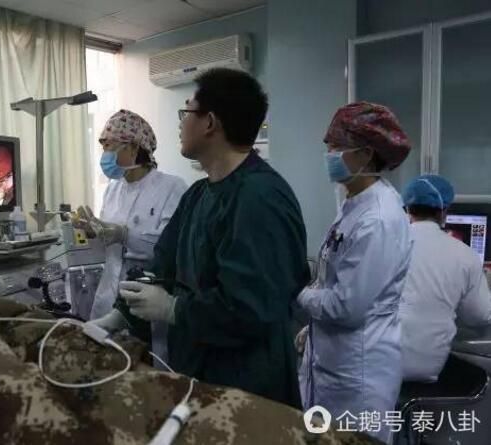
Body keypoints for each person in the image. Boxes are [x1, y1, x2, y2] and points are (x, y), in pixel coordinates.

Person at [91, 68, 310, 407]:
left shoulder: (261, 198)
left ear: (209, 122)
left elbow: (252, 307)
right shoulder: (198, 195)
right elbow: (161, 263)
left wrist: (174, 309)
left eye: (187, 112)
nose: (181, 124)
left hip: (247, 384)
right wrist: (120, 314)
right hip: (198, 368)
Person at [296, 102, 412, 444]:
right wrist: (311, 327)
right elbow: (335, 278)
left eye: (337, 147)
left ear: (365, 153)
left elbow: (347, 307)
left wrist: (297, 293)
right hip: (334, 361)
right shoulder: (354, 203)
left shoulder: (378, 218)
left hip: (358, 372)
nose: (329, 155)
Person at [76, 109, 187, 330]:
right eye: (103, 146)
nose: (104, 154)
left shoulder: (172, 187)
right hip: (108, 297)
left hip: (149, 301)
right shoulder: (112, 190)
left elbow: (170, 251)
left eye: (109, 145)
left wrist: (124, 234)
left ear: (134, 147)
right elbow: (107, 250)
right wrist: (92, 232)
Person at [400, 174, 491, 382]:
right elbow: (478, 316)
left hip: (376, 365)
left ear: (407, 209)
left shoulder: (387, 244)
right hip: (425, 368)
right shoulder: (465, 255)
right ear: (444, 211)